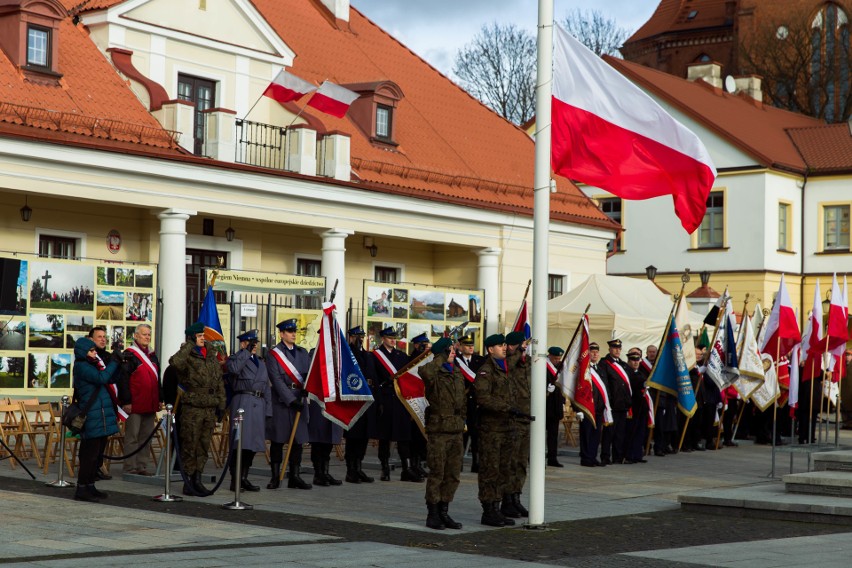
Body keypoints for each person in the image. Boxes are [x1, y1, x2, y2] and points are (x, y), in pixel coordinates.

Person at [170, 321, 226, 497]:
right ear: (193, 338)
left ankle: (197, 479)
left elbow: (219, 381)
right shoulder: (186, 355)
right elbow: (175, 364)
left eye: (203, 336)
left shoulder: (211, 355)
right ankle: (188, 480)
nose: (203, 339)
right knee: (190, 444)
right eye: (200, 336)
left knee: (203, 445)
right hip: (193, 407)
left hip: (209, 405)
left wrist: (221, 404)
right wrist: (189, 346)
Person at [419, 337, 466, 530]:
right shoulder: (431, 371)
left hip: (455, 429)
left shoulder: (456, 372)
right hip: (439, 430)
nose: (454, 352)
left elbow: (462, 400)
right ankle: (433, 514)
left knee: (452, 474)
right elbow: (426, 373)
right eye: (450, 350)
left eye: (453, 350)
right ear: (442, 353)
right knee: (437, 472)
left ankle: (444, 511)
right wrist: (440, 356)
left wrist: (463, 420)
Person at [72, 336, 122, 501]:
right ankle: (82, 488)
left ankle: (90, 485)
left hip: (100, 414)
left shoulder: (92, 365)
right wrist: (114, 362)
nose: (95, 353)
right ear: (83, 352)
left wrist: (121, 365)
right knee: (89, 455)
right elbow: (102, 378)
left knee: (97, 454)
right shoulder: (81, 367)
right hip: (92, 415)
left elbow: (111, 378)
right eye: (91, 351)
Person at [475, 333, 516, 527]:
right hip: (491, 429)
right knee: (490, 470)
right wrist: (507, 407)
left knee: (503, 470)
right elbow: (483, 399)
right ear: (491, 349)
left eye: (505, 345)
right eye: (500, 346)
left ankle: (497, 508)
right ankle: (488, 510)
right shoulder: (486, 371)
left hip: (506, 428)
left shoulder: (504, 368)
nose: (505, 348)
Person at [266, 319, 312, 490]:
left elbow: (307, 375)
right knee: (278, 440)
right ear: (282, 334)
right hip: (282, 402)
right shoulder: (273, 354)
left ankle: (295, 476)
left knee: (298, 441)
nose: (293, 334)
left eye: (294, 331)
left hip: (300, 399)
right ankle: (275, 477)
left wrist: (307, 390)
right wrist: (291, 400)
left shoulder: (302, 352)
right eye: (290, 331)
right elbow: (276, 380)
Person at [372, 326, 420, 482]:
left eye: (395, 337)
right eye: (390, 337)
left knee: (404, 436)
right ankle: (384, 468)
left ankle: (406, 469)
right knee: (384, 437)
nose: (393, 340)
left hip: (400, 400)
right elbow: (374, 380)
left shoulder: (401, 356)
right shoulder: (375, 356)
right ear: (383, 338)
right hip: (385, 399)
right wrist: (378, 401)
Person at [226, 330, 271, 492]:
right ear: (243, 343)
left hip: (259, 404)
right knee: (240, 443)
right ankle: (235, 479)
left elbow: (267, 387)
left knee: (253, 444)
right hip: (243, 402)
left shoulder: (261, 362)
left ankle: (244, 477)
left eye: (256, 343)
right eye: (251, 343)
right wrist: (245, 352)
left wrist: (268, 409)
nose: (255, 346)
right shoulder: (236, 358)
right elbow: (234, 370)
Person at [117, 324, 161, 476]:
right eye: (144, 334)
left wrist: (159, 399)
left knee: (146, 437)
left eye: (149, 334)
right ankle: (130, 467)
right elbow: (123, 380)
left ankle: (141, 466)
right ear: (135, 336)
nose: (147, 337)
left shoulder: (153, 355)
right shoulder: (129, 355)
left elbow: (157, 380)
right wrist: (126, 401)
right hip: (134, 404)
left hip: (150, 402)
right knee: (133, 437)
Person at [503, 330, 531, 519]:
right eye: (522, 345)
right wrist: (515, 353)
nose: (525, 349)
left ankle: (516, 497)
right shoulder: (507, 362)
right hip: (512, 419)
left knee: (521, 463)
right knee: (510, 463)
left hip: (526, 417)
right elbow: (507, 368)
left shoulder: (526, 363)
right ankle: (506, 500)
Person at [343, 326, 375, 483]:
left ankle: (359, 467)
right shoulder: (348, 354)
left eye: (362, 336)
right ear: (350, 337)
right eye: (357, 336)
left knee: (364, 437)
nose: (360, 339)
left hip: (368, 398)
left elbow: (373, 377)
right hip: (354, 400)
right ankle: (351, 470)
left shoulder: (367, 355)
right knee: (354, 438)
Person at [87, 325, 114, 480]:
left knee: (102, 438)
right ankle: (89, 471)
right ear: (91, 339)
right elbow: (101, 378)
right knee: (92, 439)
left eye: (105, 337)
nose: (103, 339)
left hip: (106, 403)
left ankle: (97, 466)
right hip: (93, 404)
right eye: (100, 337)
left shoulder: (107, 356)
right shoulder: (89, 358)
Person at [599, 339, 631, 464]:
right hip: (611, 405)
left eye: (619, 348)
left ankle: (618, 457)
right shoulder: (604, 363)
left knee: (619, 433)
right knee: (608, 433)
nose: (617, 350)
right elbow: (605, 384)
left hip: (623, 405)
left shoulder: (623, 365)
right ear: (609, 349)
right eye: (614, 348)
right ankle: (605, 457)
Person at [456, 335, 484, 472]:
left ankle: (476, 462)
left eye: (472, 345)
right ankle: (458, 461)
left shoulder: (480, 360)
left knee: (475, 432)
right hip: (461, 401)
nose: (470, 347)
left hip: (475, 402)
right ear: (460, 347)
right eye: (467, 345)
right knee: (461, 433)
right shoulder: (456, 361)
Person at [408, 332, 432, 479]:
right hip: (414, 402)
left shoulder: (427, 361)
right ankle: (412, 466)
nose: (425, 348)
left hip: (424, 401)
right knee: (413, 437)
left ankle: (418, 465)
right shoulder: (411, 360)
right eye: (422, 345)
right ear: (416, 346)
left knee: (422, 437)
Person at [579, 342, 606, 467]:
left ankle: (593, 456)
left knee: (596, 434)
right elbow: (578, 389)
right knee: (586, 433)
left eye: (596, 352)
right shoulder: (583, 369)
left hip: (599, 407)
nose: (595, 354)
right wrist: (577, 408)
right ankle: (585, 458)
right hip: (587, 407)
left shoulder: (600, 369)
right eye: (592, 351)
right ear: (587, 353)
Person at [625, 347, 649, 464]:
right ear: (629, 361)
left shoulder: (640, 372)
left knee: (640, 432)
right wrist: (644, 383)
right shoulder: (627, 372)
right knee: (631, 432)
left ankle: (637, 455)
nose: (635, 362)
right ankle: (629, 455)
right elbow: (635, 382)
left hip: (642, 407)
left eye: (637, 360)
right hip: (632, 407)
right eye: (633, 360)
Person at [545, 346, 566, 468]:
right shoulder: (543, 366)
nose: (558, 360)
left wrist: (563, 402)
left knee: (553, 434)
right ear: (550, 356)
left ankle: (553, 458)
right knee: (540, 434)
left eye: (559, 358)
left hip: (556, 405)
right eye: (556, 358)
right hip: (545, 405)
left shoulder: (560, 367)